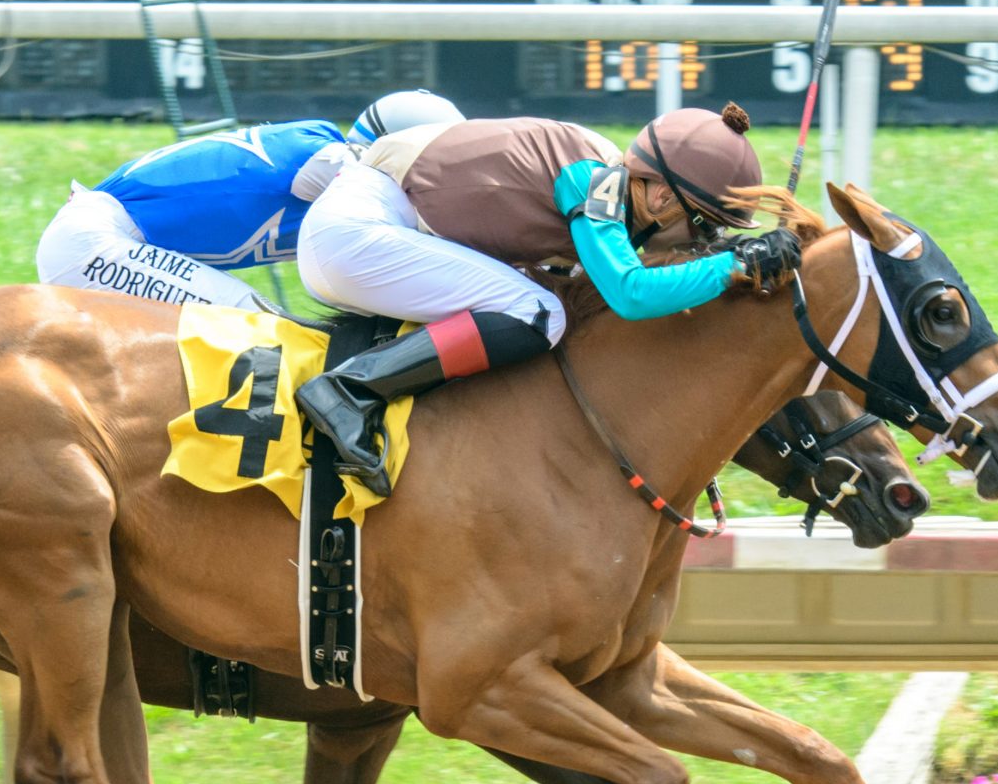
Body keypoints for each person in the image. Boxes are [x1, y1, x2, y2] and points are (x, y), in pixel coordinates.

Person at [293, 103, 805, 496]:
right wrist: (736, 263)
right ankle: (349, 391)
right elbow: (630, 294)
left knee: (539, 310)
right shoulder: (595, 181)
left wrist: (733, 257)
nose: (704, 243)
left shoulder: (609, 186)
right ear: (663, 198)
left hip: (372, 235)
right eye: (706, 225)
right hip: (357, 235)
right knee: (538, 313)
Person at [35, 91, 466, 311]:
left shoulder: (328, 154)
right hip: (97, 242)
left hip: (98, 238)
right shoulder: (331, 159)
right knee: (262, 325)